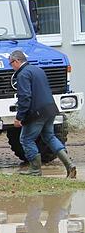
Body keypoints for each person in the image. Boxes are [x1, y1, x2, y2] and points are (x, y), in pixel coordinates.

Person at [10, 50, 76, 178]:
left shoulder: (22, 74)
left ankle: (35, 170)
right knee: (49, 137)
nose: (11, 66)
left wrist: (19, 117)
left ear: (17, 61)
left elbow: (25, 97)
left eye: (11, 63)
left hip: (37, 112)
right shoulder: (38, 70)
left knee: (26, 139)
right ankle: (69, 165)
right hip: (50, 109)